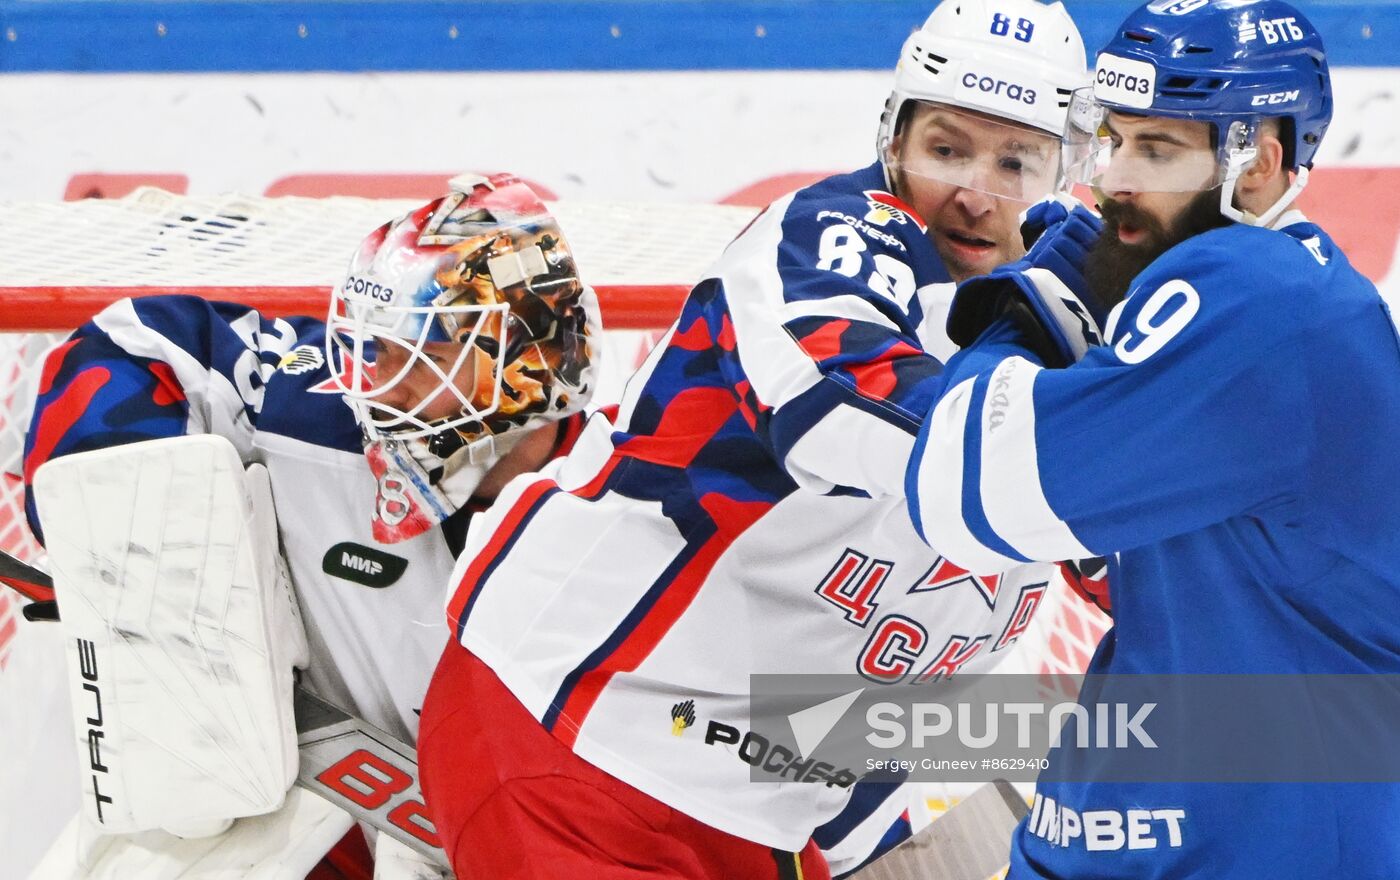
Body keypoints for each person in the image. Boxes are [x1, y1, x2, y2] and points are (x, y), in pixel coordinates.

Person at [415, 1, 1092, 877]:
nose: (972, 191)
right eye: (947, 148)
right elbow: (842, 412)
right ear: (894, 139)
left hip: (753, 797)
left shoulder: (1086, 320)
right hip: (574, 735)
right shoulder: (829, 239)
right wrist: (1098, 455)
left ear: (1068, 174)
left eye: (1016, 162)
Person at [905, 0, 1400, 875]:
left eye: (1160, 150)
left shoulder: (1256, 292)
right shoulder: (1288, 302)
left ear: (1260, 168)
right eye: (1114, 140)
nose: (1114, 180)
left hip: (1258, 847)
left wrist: (1024, 314)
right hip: (1163, 816)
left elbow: (960, 495)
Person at [19, 174, 602, 877]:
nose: (380, 385)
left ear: (526, 368)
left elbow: (757, 682)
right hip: (315, 823)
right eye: (376, 347)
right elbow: (131, 340)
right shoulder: (309, 410)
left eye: (426, 356)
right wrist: (125, 533)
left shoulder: (633, 507)